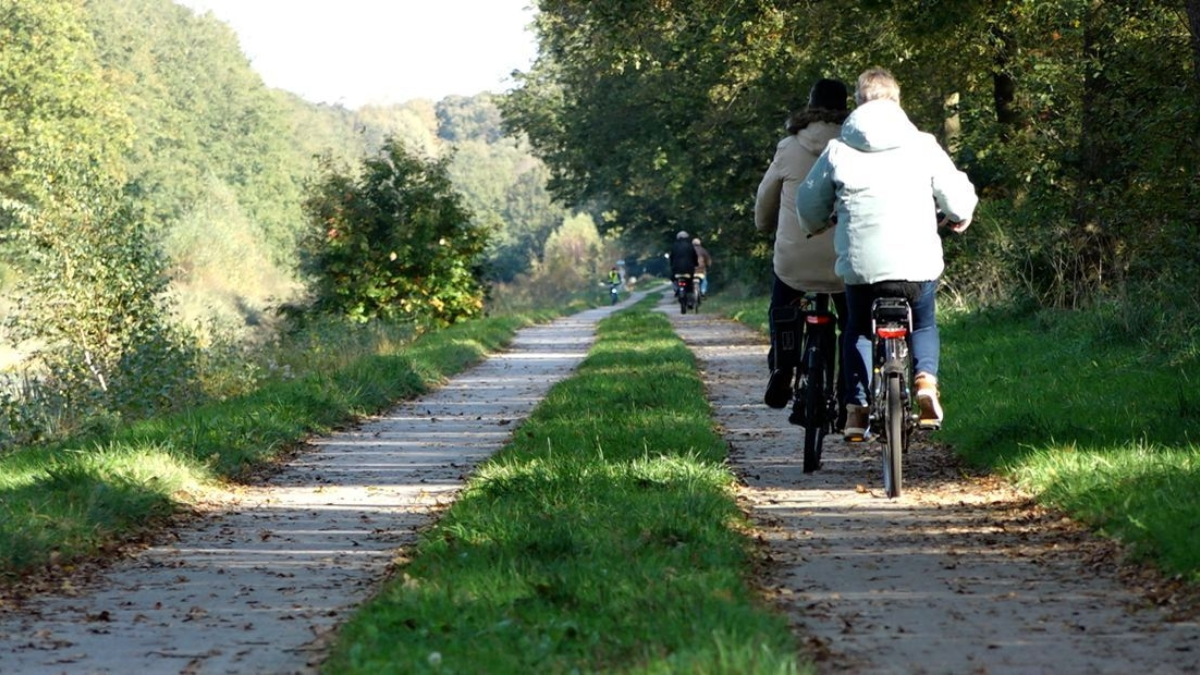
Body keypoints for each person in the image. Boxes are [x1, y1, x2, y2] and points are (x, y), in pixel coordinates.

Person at [796, 67, 978, 441]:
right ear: (897, 101)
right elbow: (957, 196)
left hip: (863, 269)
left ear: (859, 104)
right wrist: (959, 216)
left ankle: (856, 409)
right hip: (916, 265)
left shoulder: (838, 150)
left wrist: (815, 225)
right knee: (923, 323)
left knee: (859, 329)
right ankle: (925, 381)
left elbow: (809, 202)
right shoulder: (923, 144)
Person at [754, 78, 851, 413]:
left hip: (796, 256)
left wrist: (765, 226)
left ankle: (782, 363)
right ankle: (850, 388)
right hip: (844, 257)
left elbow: (765, 200)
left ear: (810, 106)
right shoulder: (858, 146)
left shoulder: (789, 146)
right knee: (853, 323)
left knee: (783, 301)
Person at [669, 230, 699, 297]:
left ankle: (676, 289)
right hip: (689, 268)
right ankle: (690, 294)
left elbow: (671, 257)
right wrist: (696, 264)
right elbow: (695, 256)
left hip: (676, 268)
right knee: (690, 280)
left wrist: (672, 265)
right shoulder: (690, 246)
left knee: (673, 278)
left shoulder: (674, 246)